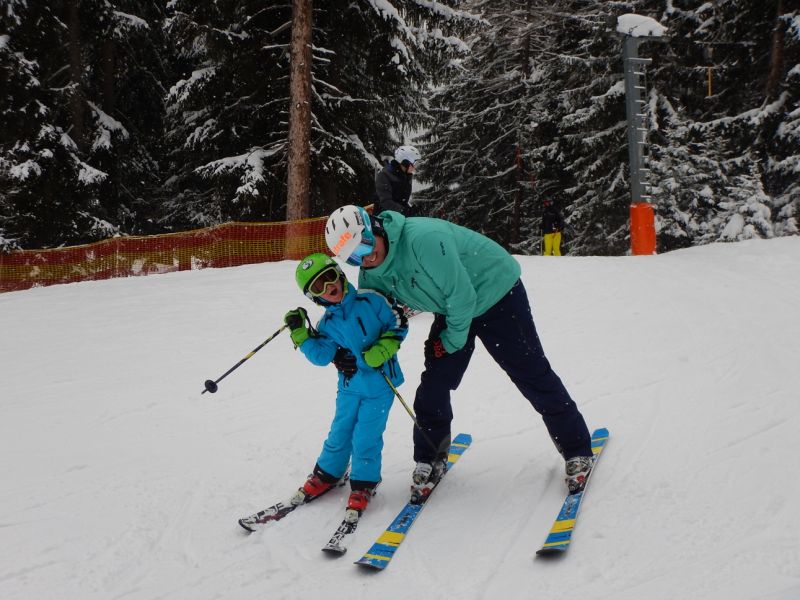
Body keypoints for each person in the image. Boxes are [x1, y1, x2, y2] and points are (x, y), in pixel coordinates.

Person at [325, 206, 594, 498]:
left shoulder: (422, 239)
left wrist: (450, 343)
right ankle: (430, 457)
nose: (366, 257)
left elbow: (462, 296)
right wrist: (348, 352)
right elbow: (375, 324)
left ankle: (576, 448)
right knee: (434, 384)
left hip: (497, 293)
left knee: (531, 373)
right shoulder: (370, 277)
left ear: (373, 226)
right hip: (451, 309)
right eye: (354, 256)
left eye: (364, 244)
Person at [283, 252, 408, 520]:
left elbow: (398, 320)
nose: (329, 288)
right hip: (350, 385)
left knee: (366, 436)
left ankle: (364, 484)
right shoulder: (327, 323)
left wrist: (384, 347)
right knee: (340, 431)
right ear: (314, 298)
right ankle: (328, 473)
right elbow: (321, 355)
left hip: (380, 384)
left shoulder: (370, 300)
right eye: (319, 287)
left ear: (339, 273)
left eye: (329, 278)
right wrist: (301, 334)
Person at [373, 145, 421, 216]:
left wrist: (411, 210)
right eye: (414, 164)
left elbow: (401, 201)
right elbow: (385, 202)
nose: (415, 168)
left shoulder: (406, 176)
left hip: (398, 216)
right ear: (405, 163)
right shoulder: (385, 175)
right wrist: (404, 211)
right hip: (384, 217)